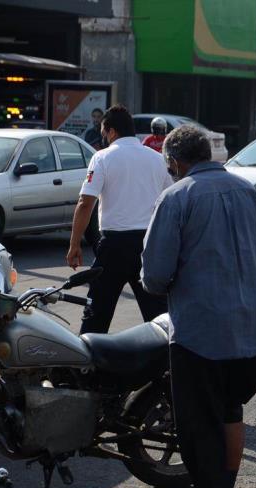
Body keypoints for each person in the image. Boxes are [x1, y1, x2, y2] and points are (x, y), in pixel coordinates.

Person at [141, 125, 256, 488]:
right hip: (251, 329)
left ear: (175, 162)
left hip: (202, 333)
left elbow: (155, 276)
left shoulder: (177, 197)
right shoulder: (248, 191)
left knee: (199, 425)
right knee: (231, 412)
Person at [66, 104, 171, 334]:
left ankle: (89, 367)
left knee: (96, 316)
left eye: (104, 132)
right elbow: (170, 201)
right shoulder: (156, 159)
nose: (104, 137)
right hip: (148, 245)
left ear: (111, 131)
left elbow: (85, 203)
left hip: (113, 246)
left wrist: (74, 244)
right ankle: (167, 366)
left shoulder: (102, 158)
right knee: (159, 317)